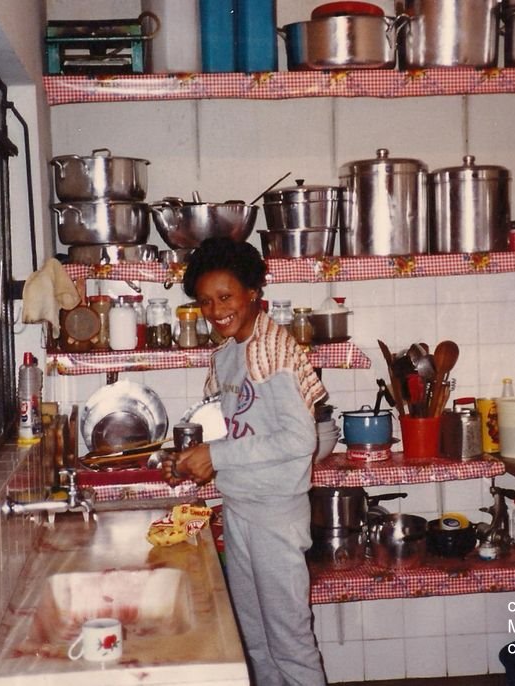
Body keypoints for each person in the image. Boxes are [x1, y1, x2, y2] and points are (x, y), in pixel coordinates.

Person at [165, 237, 328, 686]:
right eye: (205, 302)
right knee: (253, 639)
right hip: (240, 506)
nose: (215, 310)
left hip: (276, 513)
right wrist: (188, 456)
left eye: (225, 297)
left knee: (290, 643)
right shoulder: (231, 353)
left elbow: (299, 438)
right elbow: (232, 424)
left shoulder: (272, 349)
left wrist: (215, 455)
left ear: (252, 293)